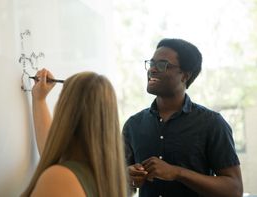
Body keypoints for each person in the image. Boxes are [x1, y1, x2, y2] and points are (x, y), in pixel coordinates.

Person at [123, 38, 243, 197]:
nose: (152, 70)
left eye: (161, 65)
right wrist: (127, 177)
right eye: (151, 64)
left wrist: (177, 173)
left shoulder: (212, 123)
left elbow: (234, 190)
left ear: (185, 75)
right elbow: (121, 184)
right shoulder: (133, 125)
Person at [22, 69, 128, 197]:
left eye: (61, 99)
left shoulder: (60, 179)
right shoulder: (109, 176)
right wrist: (39, 100)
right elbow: (51, 150)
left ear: (67, 113)